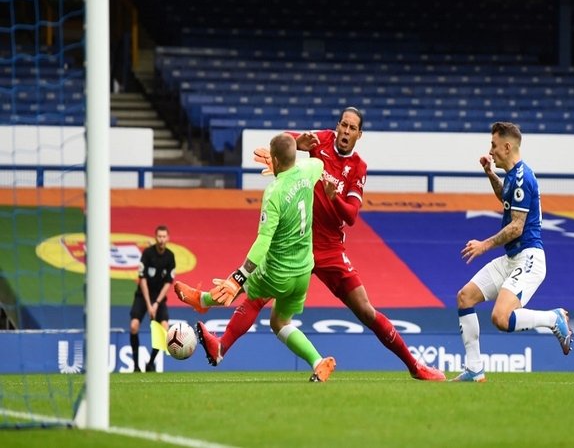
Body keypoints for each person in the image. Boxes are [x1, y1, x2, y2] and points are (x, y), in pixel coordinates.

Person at [176, 107, 445, 381]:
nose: (345, 131)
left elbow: (351, 215)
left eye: (352, 128)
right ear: (337, 126)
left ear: (359, 135)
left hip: (330, 250)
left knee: (365, 310)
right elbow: (290, 143)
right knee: (258, 295)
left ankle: (415, 366)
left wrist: (333, 196)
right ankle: (213, 325)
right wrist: (284, 151)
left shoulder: (358, 168)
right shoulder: (323, 141)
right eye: (343, 124)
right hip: (298, 243)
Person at [178, 133, 336, 382]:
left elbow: (263, 242)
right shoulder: (310, 169)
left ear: (273, 159)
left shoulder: (274, 192)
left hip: (279, 270)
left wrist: (237, 278)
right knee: (280, 322)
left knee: (251, 296)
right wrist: (296, 150)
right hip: (304, 270)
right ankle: (318, 362)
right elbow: (320, 163)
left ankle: (205, 305)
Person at [451, 121, 573, 382]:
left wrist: (484, 245)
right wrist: (489, 173)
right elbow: (505, 197)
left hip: (529, 257)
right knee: (465, 297)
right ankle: (474, 369)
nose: (491, 150)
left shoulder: (522, 177)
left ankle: (553, 318)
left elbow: (516, 227)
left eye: (494, 145)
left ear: (507, 147)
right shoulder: (512, 176)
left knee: (501, 318)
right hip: (512, 258)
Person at [129, 225, 176, 372]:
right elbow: (142, 279)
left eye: (164, 237)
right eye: (159, 236)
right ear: (155, 237)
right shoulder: (147, 254)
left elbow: (168, 283)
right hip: (143, 296)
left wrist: (156, 304)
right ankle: (136, 366)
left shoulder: (170, 256)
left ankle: (150, 363)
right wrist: (149, 305)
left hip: (159, 299)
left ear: (167, 238)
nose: (161, 239)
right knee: (134, 326)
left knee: (164, 329)